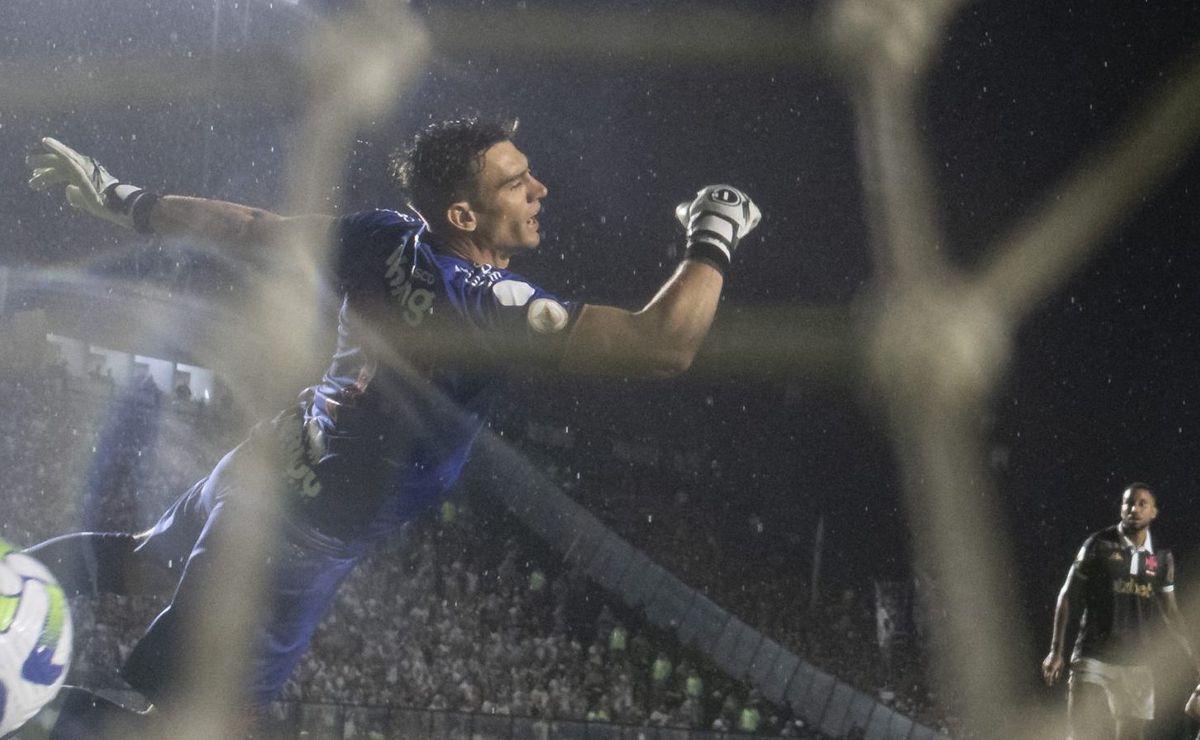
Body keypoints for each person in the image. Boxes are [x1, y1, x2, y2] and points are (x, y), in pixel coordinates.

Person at [21, 119, 760, 736]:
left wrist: (126, 199)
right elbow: (664, 345)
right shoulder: (488, 304)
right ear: (464, 217)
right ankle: (29, 707)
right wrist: (714, 231)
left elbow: (252, 229)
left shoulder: (384, 236)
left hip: (265, 464)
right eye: (515, 182)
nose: (539, 190)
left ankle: (12, 589)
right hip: (298, 539)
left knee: (141, 559)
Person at [1041, 482, 1199, 740]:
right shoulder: (1098, 544)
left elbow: (1171, 613)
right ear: (1121, 508)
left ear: (1153, 513)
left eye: (1141, 504)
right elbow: (1067, 596)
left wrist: (1194, 657)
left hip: (1137, 663)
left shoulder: (1161, 558)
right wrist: (1056, 651)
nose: (1133, 509)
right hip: (1093, 655)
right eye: (1128, 503)